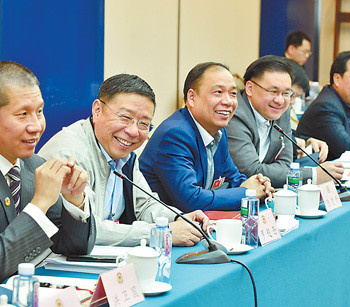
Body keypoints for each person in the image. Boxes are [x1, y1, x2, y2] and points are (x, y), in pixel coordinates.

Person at [39, 74, 210, 247]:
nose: (133, 131)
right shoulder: (69, 155)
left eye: (144, 124)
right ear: (97, 110)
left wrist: (179, 218)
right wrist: (159, 233)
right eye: (125, 118)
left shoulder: (123, 153)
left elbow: (144, 204)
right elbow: (86, 229)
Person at [0, 61, 95, 283]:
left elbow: (73, 246)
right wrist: (39, 203)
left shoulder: (35, 165)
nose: (36, 126)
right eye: (22, 114)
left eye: (40, 112)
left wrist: (74, 201)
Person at [139, 62, 273, 212]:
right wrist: (248, 193)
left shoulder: (218, 132)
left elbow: (232, 176)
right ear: (191, 97)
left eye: (233, 93)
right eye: (218, 92)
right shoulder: (175, 135)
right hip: (162, 228)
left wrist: (258, 184)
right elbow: (190, 199)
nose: (228, 101)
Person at [226, 55, 343, 188]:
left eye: (286, 93)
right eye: (273, 91)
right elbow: (251, 170)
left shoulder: (282, 111)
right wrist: (313, 175)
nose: (280, 100)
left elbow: (286, 164)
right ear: (250, 88)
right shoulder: (235, 113)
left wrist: (274, 171)